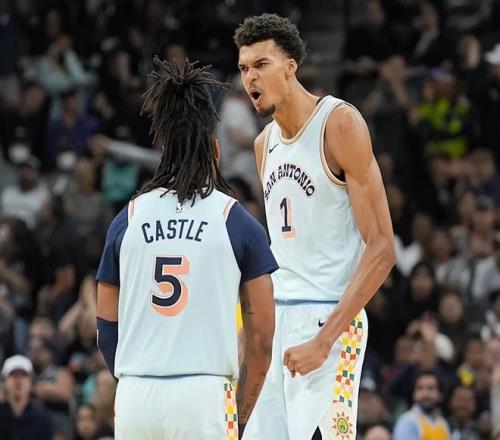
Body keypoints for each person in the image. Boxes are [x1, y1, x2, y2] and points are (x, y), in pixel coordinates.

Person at [95, 58, 277, 439]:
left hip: (136, 395)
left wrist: (132, 377)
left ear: (164, 152)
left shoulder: (126, 219)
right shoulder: (237, 221)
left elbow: (105, 327)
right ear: (216, 151)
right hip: (203, 395)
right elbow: (262, 337)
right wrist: (241, 414)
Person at [234, 13, 395, 440]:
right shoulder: (263, 145)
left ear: (291, 66)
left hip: (330, 318)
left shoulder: (338, 123)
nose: (250, 78)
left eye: (261, 64)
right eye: (244, 68)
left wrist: (325, 340)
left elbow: (382, 247)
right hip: (278, 320)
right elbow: (282, 253)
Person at [0, 355, 53, 440]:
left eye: (23, 375)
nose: (18, 380)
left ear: (31, 381)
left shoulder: (43, 420)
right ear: (4, 381)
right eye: (13, 375)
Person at [393, 370, 451, 440]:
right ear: (413, 394)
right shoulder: (407, 421)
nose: (425, 394)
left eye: (430, 388)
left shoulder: (443, 423)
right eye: (420, 388)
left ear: (440, 395)